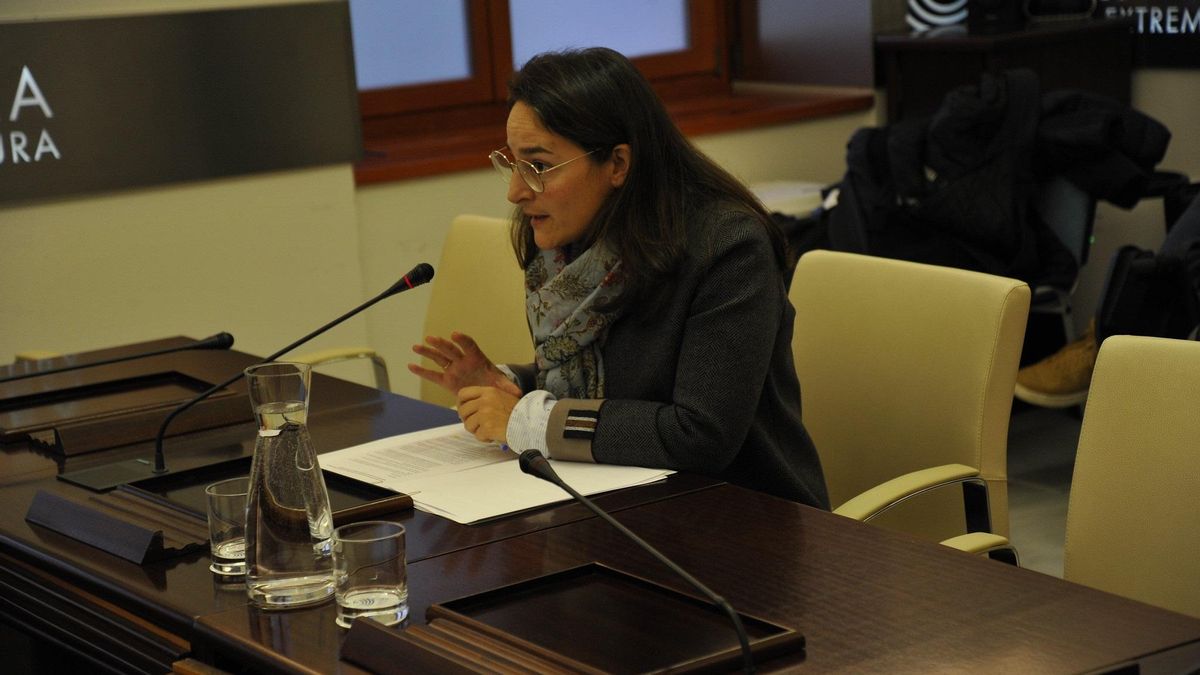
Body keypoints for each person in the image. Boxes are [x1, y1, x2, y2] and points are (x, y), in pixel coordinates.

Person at [407, 48, 829, 509]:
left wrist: (529, 422)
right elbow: (609, 384)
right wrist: (513, 385)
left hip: (742, 515)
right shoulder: (566, 245)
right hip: (619, 501)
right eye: (511, 163)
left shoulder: (728, 248)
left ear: (618, 164)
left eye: (539, 166)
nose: (515, 191)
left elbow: (700, 434)